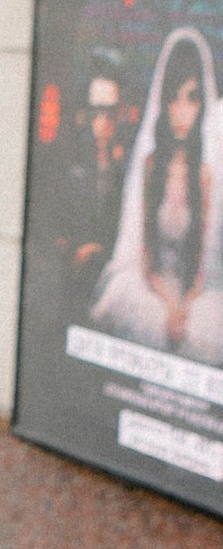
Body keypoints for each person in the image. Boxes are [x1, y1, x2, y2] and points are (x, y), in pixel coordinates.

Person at [91, 24, 223, 355]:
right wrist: (167, 304)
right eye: (173, 99)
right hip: (154, 286)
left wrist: (185, 306)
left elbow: (203, 263)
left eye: (192, 99)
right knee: (133, 305)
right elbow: (145, 257)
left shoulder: (205, 175)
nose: (182, 112)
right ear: (162, 103)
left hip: (191, 292)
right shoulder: (151, 167)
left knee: (206, 327)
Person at [62, 65, 132, 310]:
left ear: (121, 113)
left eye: (110, 113)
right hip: (73, 282)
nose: (103, 122)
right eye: (96, 112)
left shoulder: (130, 166)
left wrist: (100, 250)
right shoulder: (71, 164)